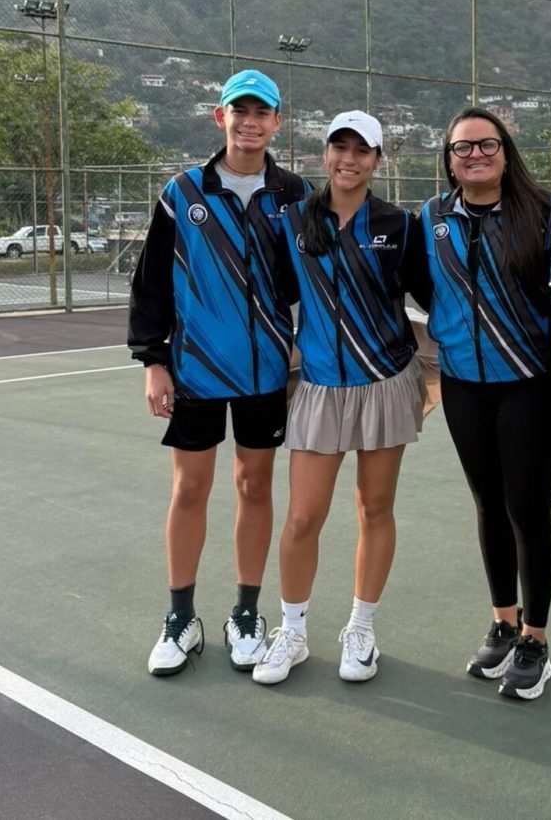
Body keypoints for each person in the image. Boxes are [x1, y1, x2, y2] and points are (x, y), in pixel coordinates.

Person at [129, 69, 311, 677]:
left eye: (263, 112)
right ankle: (181, 617)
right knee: (189, 490)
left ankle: (246, 612)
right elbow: (151, 282)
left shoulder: (295, 196)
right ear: (220, 117)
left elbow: (307, 280)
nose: (251, 121)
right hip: (196, 371)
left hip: (266, 373)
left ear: (277, 123)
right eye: (241, 110)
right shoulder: (183, 193)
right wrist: (154, 361)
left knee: (254, 488)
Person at [250, 110, 431, 685]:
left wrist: (432, 373)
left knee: (374, 510)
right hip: (321, 388)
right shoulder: (295, 220)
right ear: (323, 155)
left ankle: (361, 630)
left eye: (362, 150)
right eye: (339, 148)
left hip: (384, 383)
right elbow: (277, 298)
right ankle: (294, 632)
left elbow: (433, 299)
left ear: (378, 161)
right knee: (303, 517)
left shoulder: (398, 225)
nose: (348, 160)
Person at [421, 106, 551, 700]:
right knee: (488, 503)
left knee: (527, 509)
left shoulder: (546, 212)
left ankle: (535, 638)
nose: (475, 156)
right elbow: (413, 281)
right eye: (463, 148)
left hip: (530, 382)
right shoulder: (430, 218)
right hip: (463, 384)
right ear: (449, 159)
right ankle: (503, 621)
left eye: (487, 145)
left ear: (506, 152)